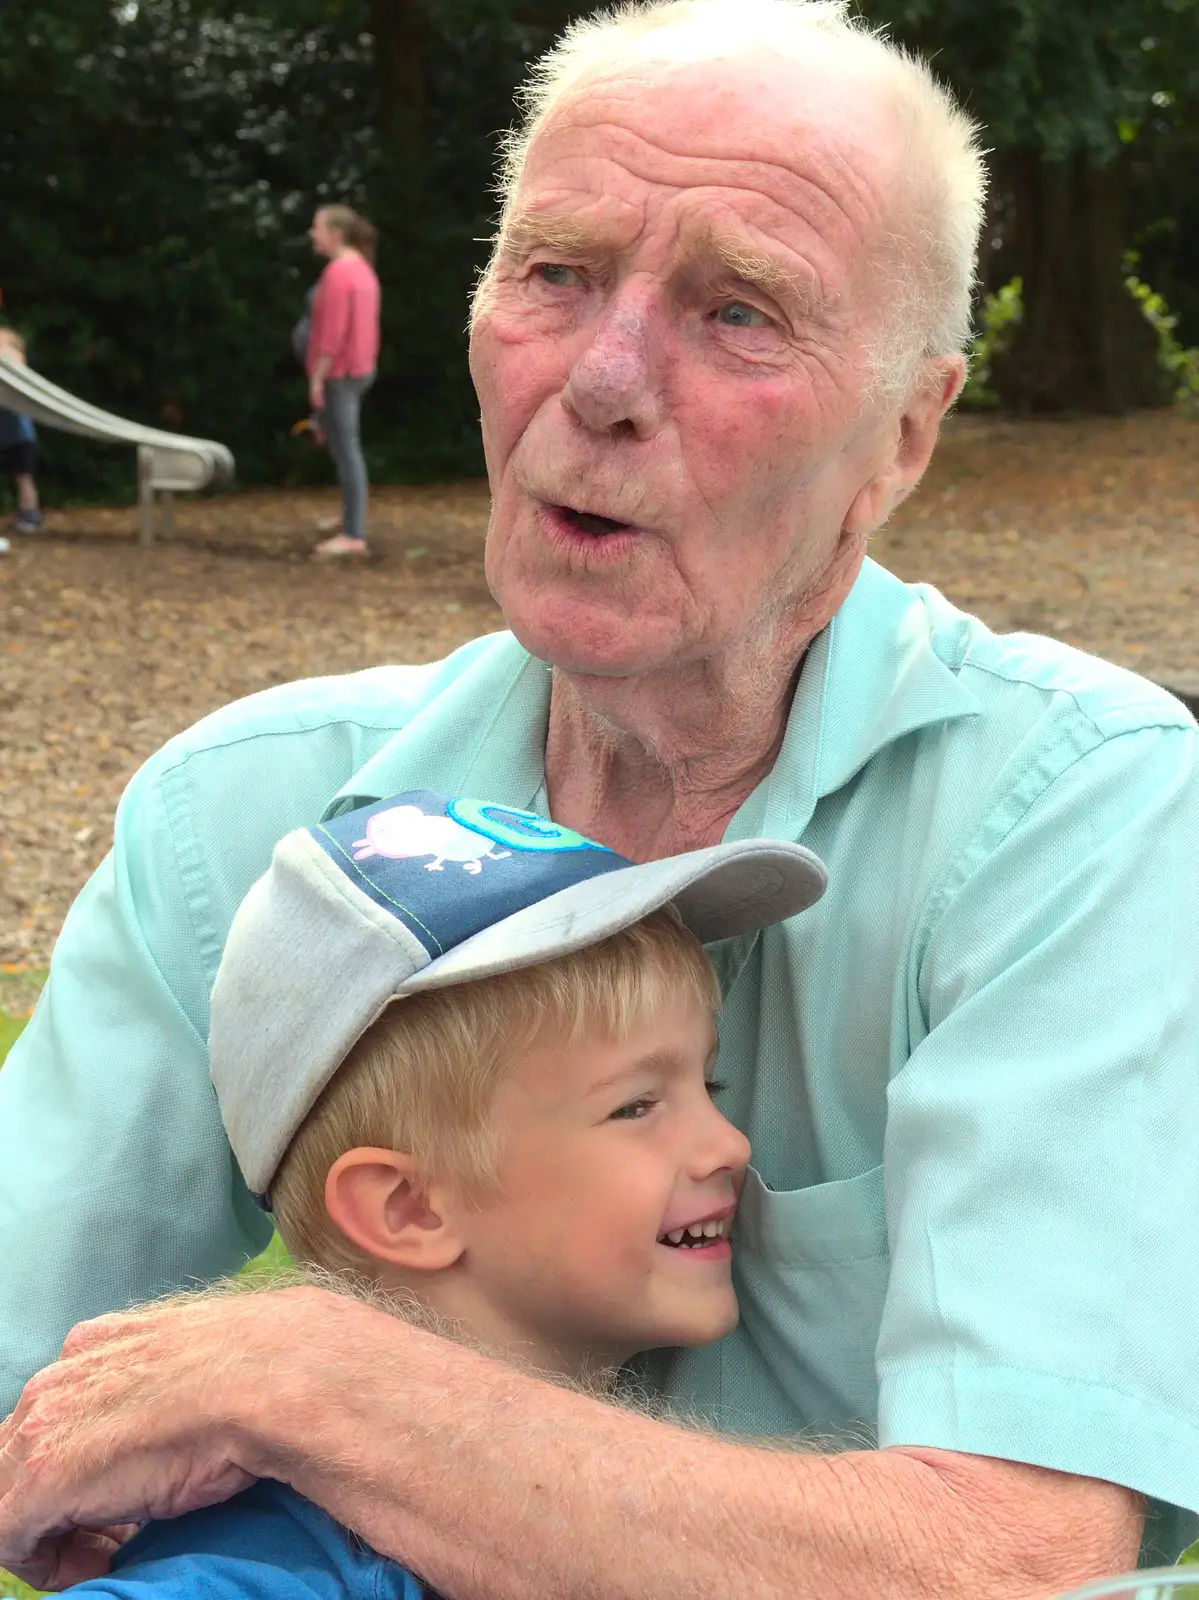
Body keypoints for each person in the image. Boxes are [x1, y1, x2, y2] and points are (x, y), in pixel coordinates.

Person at [1, 0, 1198, 1594]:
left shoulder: (1073, 817)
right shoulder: (243, 825)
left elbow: (1010, 1557)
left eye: (740, 312)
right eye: (554, 275)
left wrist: (314, 1379)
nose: (604, 377)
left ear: (903, 432)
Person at [44, 792, 822, 1600]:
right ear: (407, 1208)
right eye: (635, 1107)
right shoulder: (285, 1569)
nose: (728, 1144)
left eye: (709, 1082)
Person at [305, 204, 381, 559]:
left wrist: (317, 379)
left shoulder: (339, 273)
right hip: (359, 371)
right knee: (341, 448)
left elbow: (332, 336)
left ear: (335, 233)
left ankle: (353, 535)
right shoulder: (363, 269)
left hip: (340, 375)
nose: (311, 234)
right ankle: (349, 518)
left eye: (316, 228)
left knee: (347, 452)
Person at [0, 328, 44, 535]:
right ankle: (25, 514)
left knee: (23, 477)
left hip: (19, 436)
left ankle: (30, 516)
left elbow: (12, 363)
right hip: (6, 435)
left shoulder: (13, 363)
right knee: (20, 477)